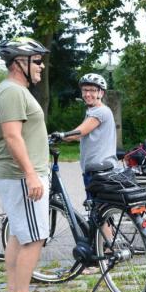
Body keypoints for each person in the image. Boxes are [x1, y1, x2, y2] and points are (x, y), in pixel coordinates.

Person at [0, 37, 54, 292]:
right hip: (21, 176)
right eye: (37, 61)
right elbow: (12, 136)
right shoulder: (12, 92)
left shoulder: (13, 90)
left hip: (19, 175)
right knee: (34, 238)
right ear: (19, 63)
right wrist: (31, 175)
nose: (41, 66)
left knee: (19, 235)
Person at [50, 73, 117, 269]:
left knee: (99, 212)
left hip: (99, 170)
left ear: (101, 93)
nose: (88, 94)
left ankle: (106, 253)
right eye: (85, 90)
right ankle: (107, 248)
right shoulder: (92, 111)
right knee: (99, 210)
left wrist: (61, 135)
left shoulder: (100, 111)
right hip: (94, 169)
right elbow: (83, 134)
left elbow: (80, 132)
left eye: (92, 90)